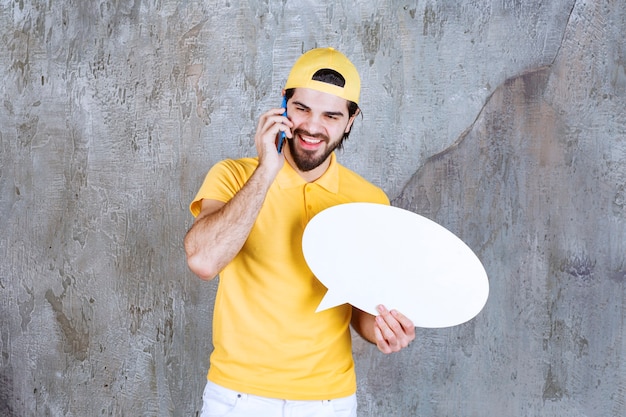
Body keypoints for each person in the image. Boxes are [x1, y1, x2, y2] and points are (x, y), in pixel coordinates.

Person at [184, 47, 415, 417]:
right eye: (302, 108)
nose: (311, 126)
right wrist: (266, 171)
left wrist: (384, 329)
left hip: (330, 401)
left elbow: (361, 312)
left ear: (351, 120)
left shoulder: (369, 200)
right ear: (283, 105)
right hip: (237, 397)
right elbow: (203, 261)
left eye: (331, 115)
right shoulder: (233, 176)